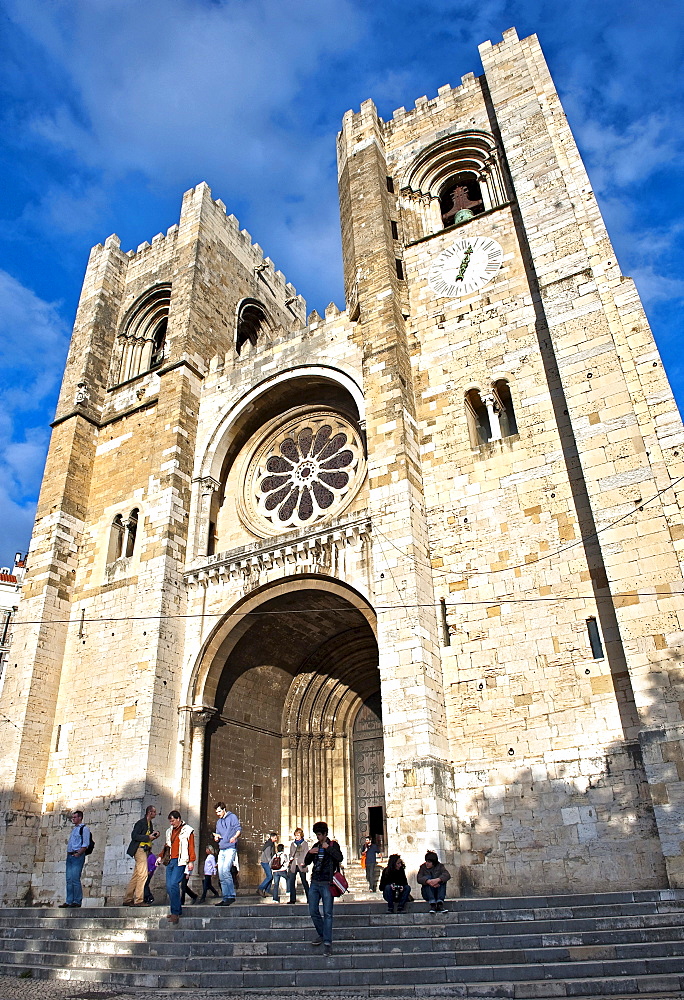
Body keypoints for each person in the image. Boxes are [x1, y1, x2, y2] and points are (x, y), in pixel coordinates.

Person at [305, 821, 343, 957]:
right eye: (316, 834)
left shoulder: (333, 845)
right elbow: (307, 861)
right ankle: (322, 933)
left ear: (325, 834)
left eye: (319, 834)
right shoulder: (315, 846)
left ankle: (327, 943)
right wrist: (310, 853)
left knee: (327, 913)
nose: (318, 837)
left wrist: (328, 849)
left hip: (327, 882)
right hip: (315, 882)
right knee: (313, 910)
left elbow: (340, 857)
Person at [157, 809, 195, 924]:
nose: (172, 823)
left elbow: (191, 846)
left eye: (173, 821)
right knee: (169, 886)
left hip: (181, 861)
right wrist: (160, 856)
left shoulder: (188, 830)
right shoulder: (169, 831)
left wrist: (191, 861)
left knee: (174, 884)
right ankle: (176, 909)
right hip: (170, 861)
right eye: (170, 821)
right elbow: (167, 845)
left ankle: (175, 913)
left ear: (178, 819)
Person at [123, 805, 160, 907]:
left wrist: (154, 835)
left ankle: (128, 899)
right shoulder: (141, 823)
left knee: (136, 875)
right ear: (149, 812)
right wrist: (148, 837)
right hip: (139, 850)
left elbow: (148, 837)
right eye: (154, 812)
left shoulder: (149, 824)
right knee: (143, 875)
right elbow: (134, 836)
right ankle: (139, 899)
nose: (155, 814)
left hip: (145, 850)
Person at [60, 809, 92, 909]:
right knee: (69, 879)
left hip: (77, 856)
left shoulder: (84, 829)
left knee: (75, 879)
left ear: (80, 818)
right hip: (70, 855)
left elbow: (85, 843)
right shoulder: (74, 829)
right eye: (72, 817)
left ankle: (77, 901)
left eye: (75, 817)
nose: (73, 819)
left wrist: (78, 853)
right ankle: (69, 901)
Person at [212, 802, 240, 906]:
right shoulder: (218, 822)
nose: (218, 813)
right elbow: (218, 833)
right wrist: (216, 837)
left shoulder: (232, 817)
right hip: (222, 848)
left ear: (224, 810)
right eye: (216, 812)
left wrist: (234, 837)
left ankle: (231, 895)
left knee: (226, 870)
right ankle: (225, 897)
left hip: (230, 848)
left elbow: (238, 829)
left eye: (219, 811)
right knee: (221, 873)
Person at [287, 827, 310, 904]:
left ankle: (309, 898)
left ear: (301, 835)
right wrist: (290, 857)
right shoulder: (293, 844)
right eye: (296, 835)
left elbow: (306, 853)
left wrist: (304, 862)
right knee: (292, 882)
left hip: (301, 864)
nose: (296, 837)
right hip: (294, 864)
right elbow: (291, 853)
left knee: (304, 881)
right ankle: (292, 899)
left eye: (298, 835)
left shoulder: (305, 843)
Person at [257, 832, 278, 897]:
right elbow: (267, 854)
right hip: (266, 862)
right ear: (272, 837)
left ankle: (267, 891)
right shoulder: (269, 844)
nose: (276, 839)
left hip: (267, 862)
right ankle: (260, 888)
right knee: (269, 876)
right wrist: (270, 863)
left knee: (270, 877)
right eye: (275, 838)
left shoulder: (271, 844)